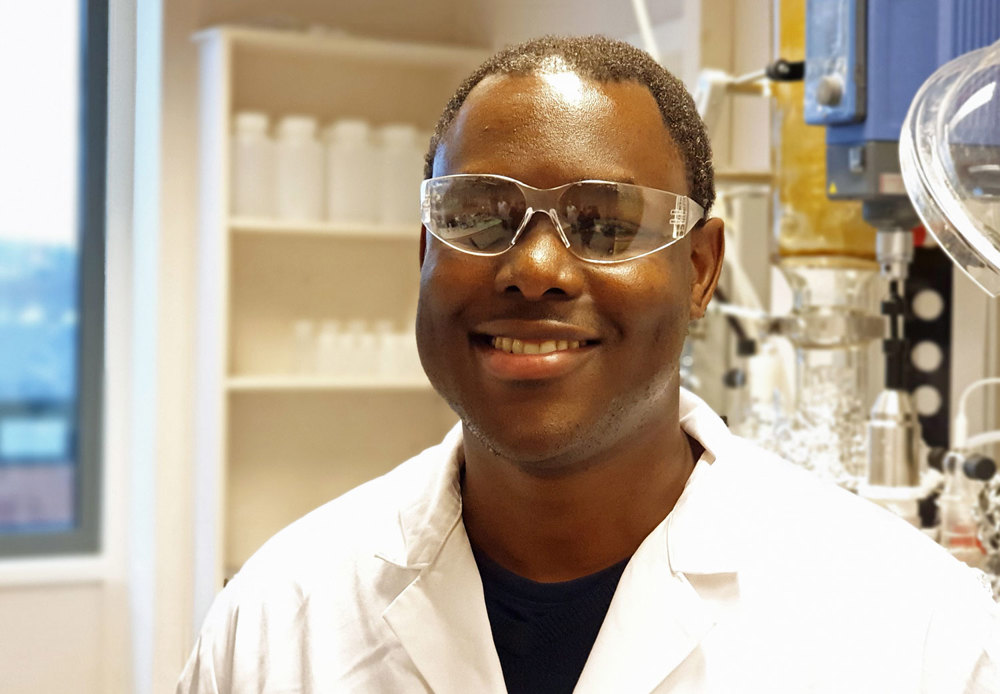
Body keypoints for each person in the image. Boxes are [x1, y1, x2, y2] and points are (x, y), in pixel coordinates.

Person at [178, 36, 999, 693]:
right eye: (479, 216)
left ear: (702, 271)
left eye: (606, 225)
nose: (535, 268)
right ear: (426, 253)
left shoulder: (912, 630)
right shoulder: (280, 615)